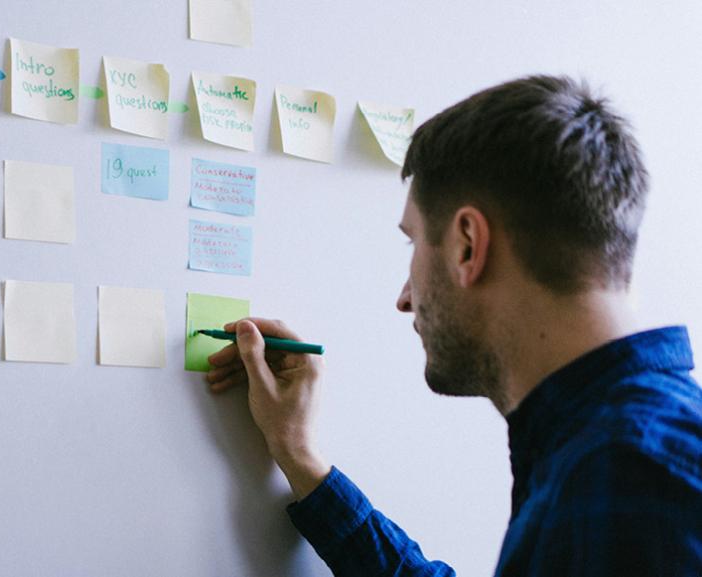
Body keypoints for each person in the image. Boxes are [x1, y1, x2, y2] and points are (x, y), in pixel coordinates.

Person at [205, 75, 702, 575]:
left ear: (467, 245)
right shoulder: (612, 451)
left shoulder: (634, 475)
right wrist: (300, 458)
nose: (404, 298)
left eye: (414, 244)